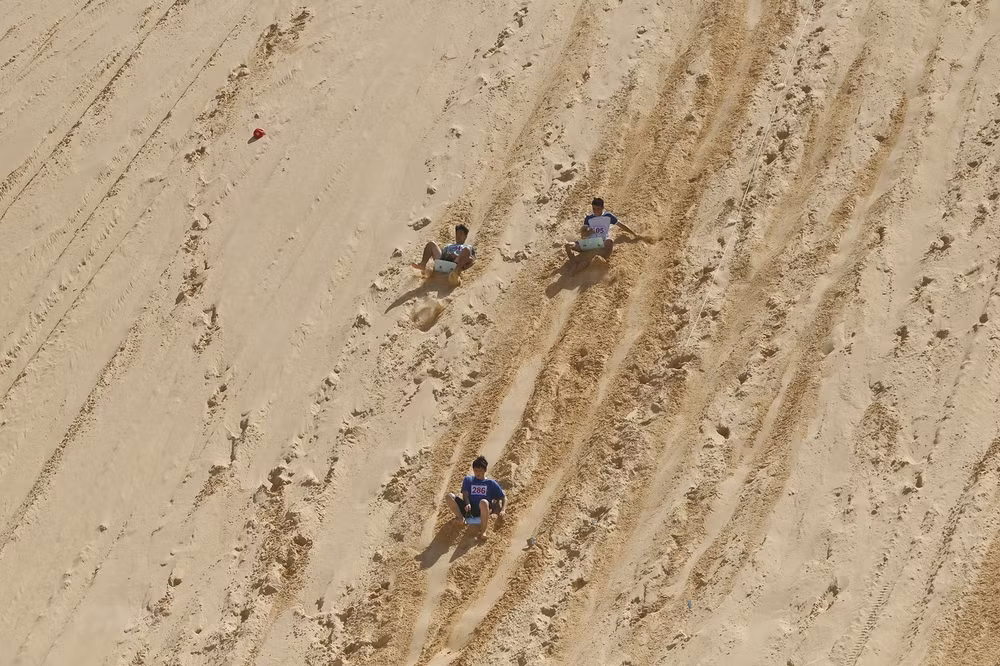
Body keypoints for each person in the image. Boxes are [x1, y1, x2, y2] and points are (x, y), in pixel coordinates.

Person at [564, 197, 638, 263]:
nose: (596, 211)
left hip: (601, 244)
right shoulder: (589, 218)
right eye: (594, 209)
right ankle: (573, 262)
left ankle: (602, 260)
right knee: (568, 245)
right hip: (590, 243)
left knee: (610, 241)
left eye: (598, 209)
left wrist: (634, 234)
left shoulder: (608, 216)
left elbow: (621, 225)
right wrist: (589, 232)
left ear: (602, 207)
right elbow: (583, 235)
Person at [446, 455, 506, 537]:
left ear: (485, 470)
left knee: (483, 501)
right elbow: (465, 495)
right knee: (449, 496)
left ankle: (483, 531)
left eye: (480, 470)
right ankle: (461, 518)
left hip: (482, 511)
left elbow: (504, 497)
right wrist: (467, 503)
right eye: (475, 470)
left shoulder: (491, 483)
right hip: (470, 510)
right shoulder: (468, 480)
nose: (477, 473)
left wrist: (503, 510)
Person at [412, 224, 476, 274]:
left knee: (466, 250)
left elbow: (472, 260)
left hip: (457, 263)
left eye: (461, 234)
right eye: (457, 234)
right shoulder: (449, 245)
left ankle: (456, 272)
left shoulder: (468, 246)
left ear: (465, 236)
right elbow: (441, 254)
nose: (458, 236)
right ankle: (423, 264)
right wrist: (448, 255)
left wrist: (459, 258)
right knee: (431, 244)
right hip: (444, 260)